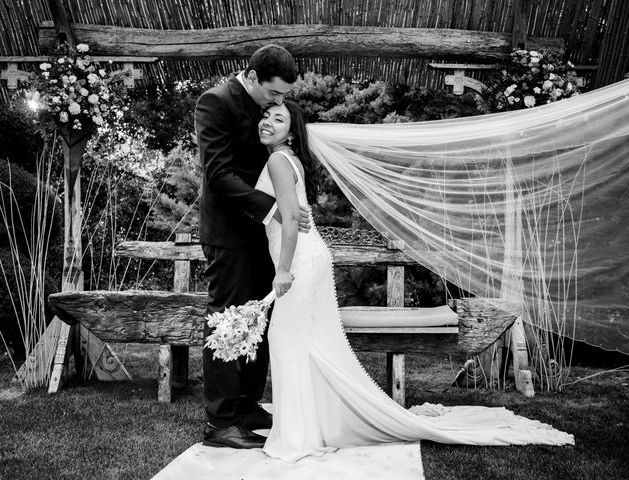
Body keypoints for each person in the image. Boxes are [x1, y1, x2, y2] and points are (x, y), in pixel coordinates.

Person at [254, 100, 574, 463]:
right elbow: (291, 214)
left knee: (287, 340)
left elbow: (292, 221)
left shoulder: (278, 161)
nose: (267, 122)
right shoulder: (289, 160)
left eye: (278, 118)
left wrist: (282, 271)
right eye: (265, 115)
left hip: (298, 263)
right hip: (308, 259)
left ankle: (296, 436)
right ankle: (307, 427)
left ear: (293, 133)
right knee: (301, 344)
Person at [195, 44, 310, 450]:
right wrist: (274, 209)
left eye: (283, 96)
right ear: (253, 76)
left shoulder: (265, 107)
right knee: (227, 319)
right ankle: (219, 421)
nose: (280, 102)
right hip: (229, 232)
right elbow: (219, 174)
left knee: (259, 319)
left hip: (262, 234)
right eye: (274, 94)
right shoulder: (216, 102)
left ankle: (246, 404)